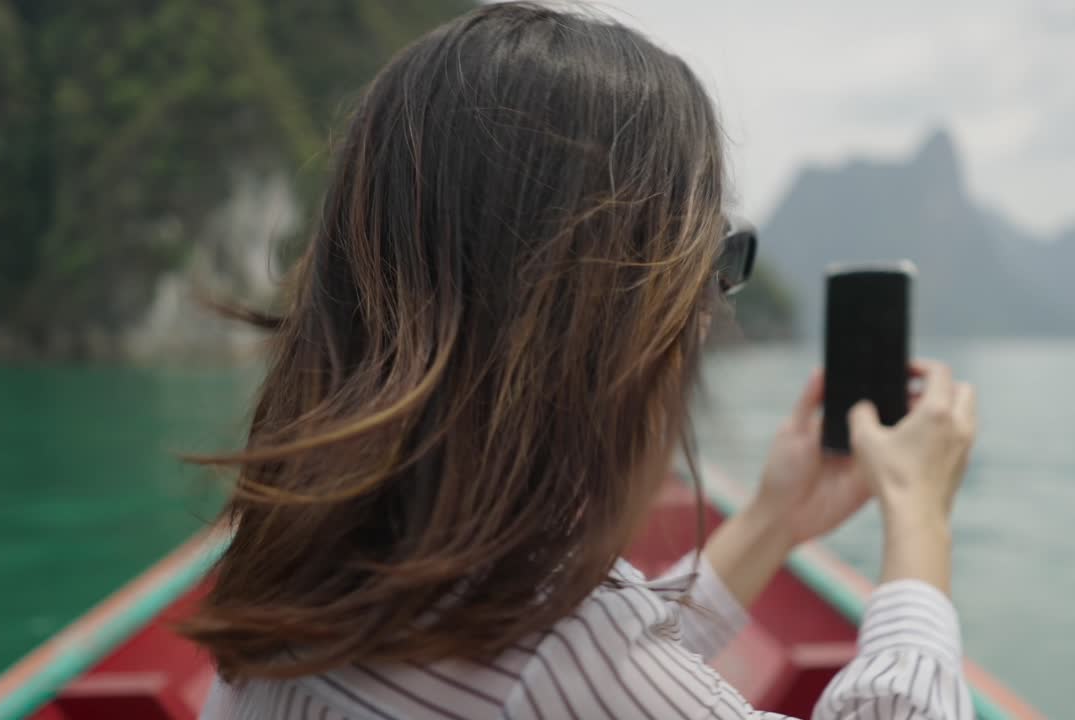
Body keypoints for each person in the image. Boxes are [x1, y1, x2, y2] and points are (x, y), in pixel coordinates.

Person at [190, 3, 979, 718]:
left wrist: (775, 519)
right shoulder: (554, 652)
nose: (708, 313)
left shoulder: (321, 571)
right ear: (606, 307)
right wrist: (916, 513)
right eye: (712, 263)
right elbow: (583, 672)